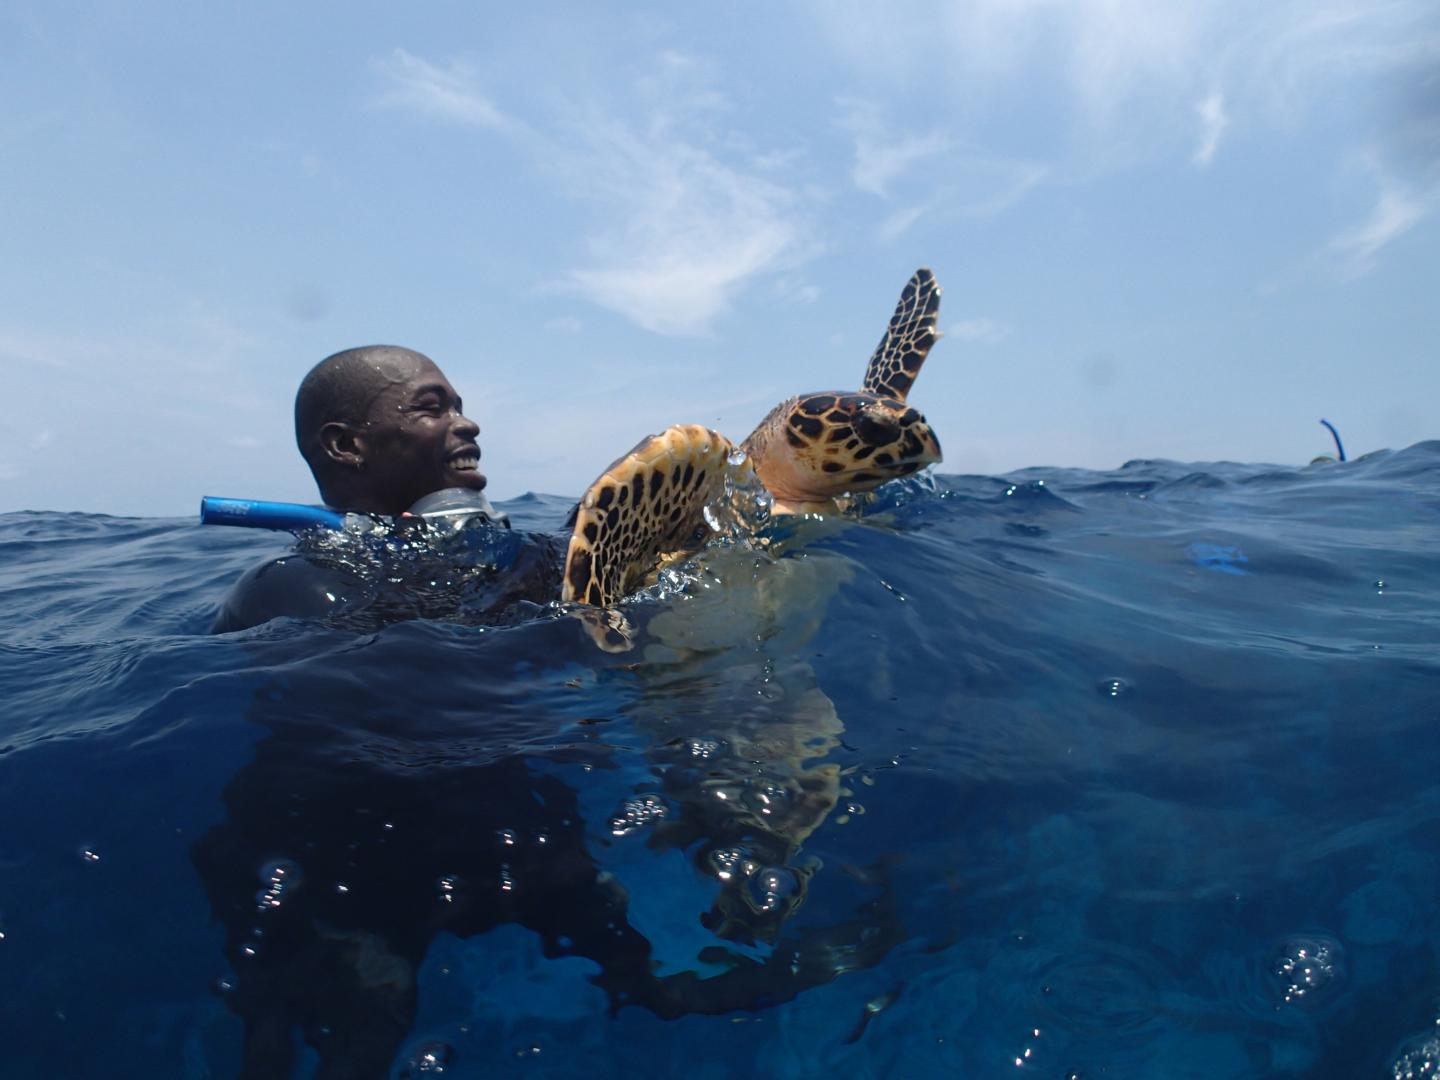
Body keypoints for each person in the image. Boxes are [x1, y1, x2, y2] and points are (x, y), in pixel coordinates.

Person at [212, 346, 561, 633]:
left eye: (459, 409)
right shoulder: (292, 584)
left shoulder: (495, 552)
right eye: (431, 408)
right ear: (346, 445)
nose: (468, 424)